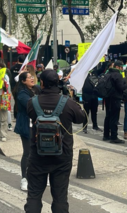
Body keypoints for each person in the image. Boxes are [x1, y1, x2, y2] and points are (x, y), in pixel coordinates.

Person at [24, 69, 86, 212]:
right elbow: (81, 118)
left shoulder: (32, 102)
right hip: (62, 156)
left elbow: (29, 114)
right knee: (60, 197)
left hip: (37, 155)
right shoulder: (68, 103)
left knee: (34, 195)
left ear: (42, 83)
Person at [14, 72, 41, 191]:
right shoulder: (22, 93)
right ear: (23, 81)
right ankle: (24, 178)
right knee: (28, 152)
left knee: (40, 151)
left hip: (38, 126)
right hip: (26, 126)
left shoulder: (36, 89)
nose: (32, 79)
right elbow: (32, 104)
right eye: (29, 77)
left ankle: (39, 176)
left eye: (32, 77)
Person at [103, 60, 127, 144]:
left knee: (108, 116)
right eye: (121, 67)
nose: (122, 69)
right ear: (117, 67)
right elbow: (121, 87)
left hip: (107, 98)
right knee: (114, 118)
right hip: (115, 98)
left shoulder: (107, 73)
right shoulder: (117, 75)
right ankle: (114, 136)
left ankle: (106, 135)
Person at [81, 69, 102, 134]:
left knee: (94, 112)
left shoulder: (94, 73)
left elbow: (102, 68)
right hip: (87, 96)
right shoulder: (83, 74)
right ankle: (84, 127)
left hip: (94, 96)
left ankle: (95, 126)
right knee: (86, 112)